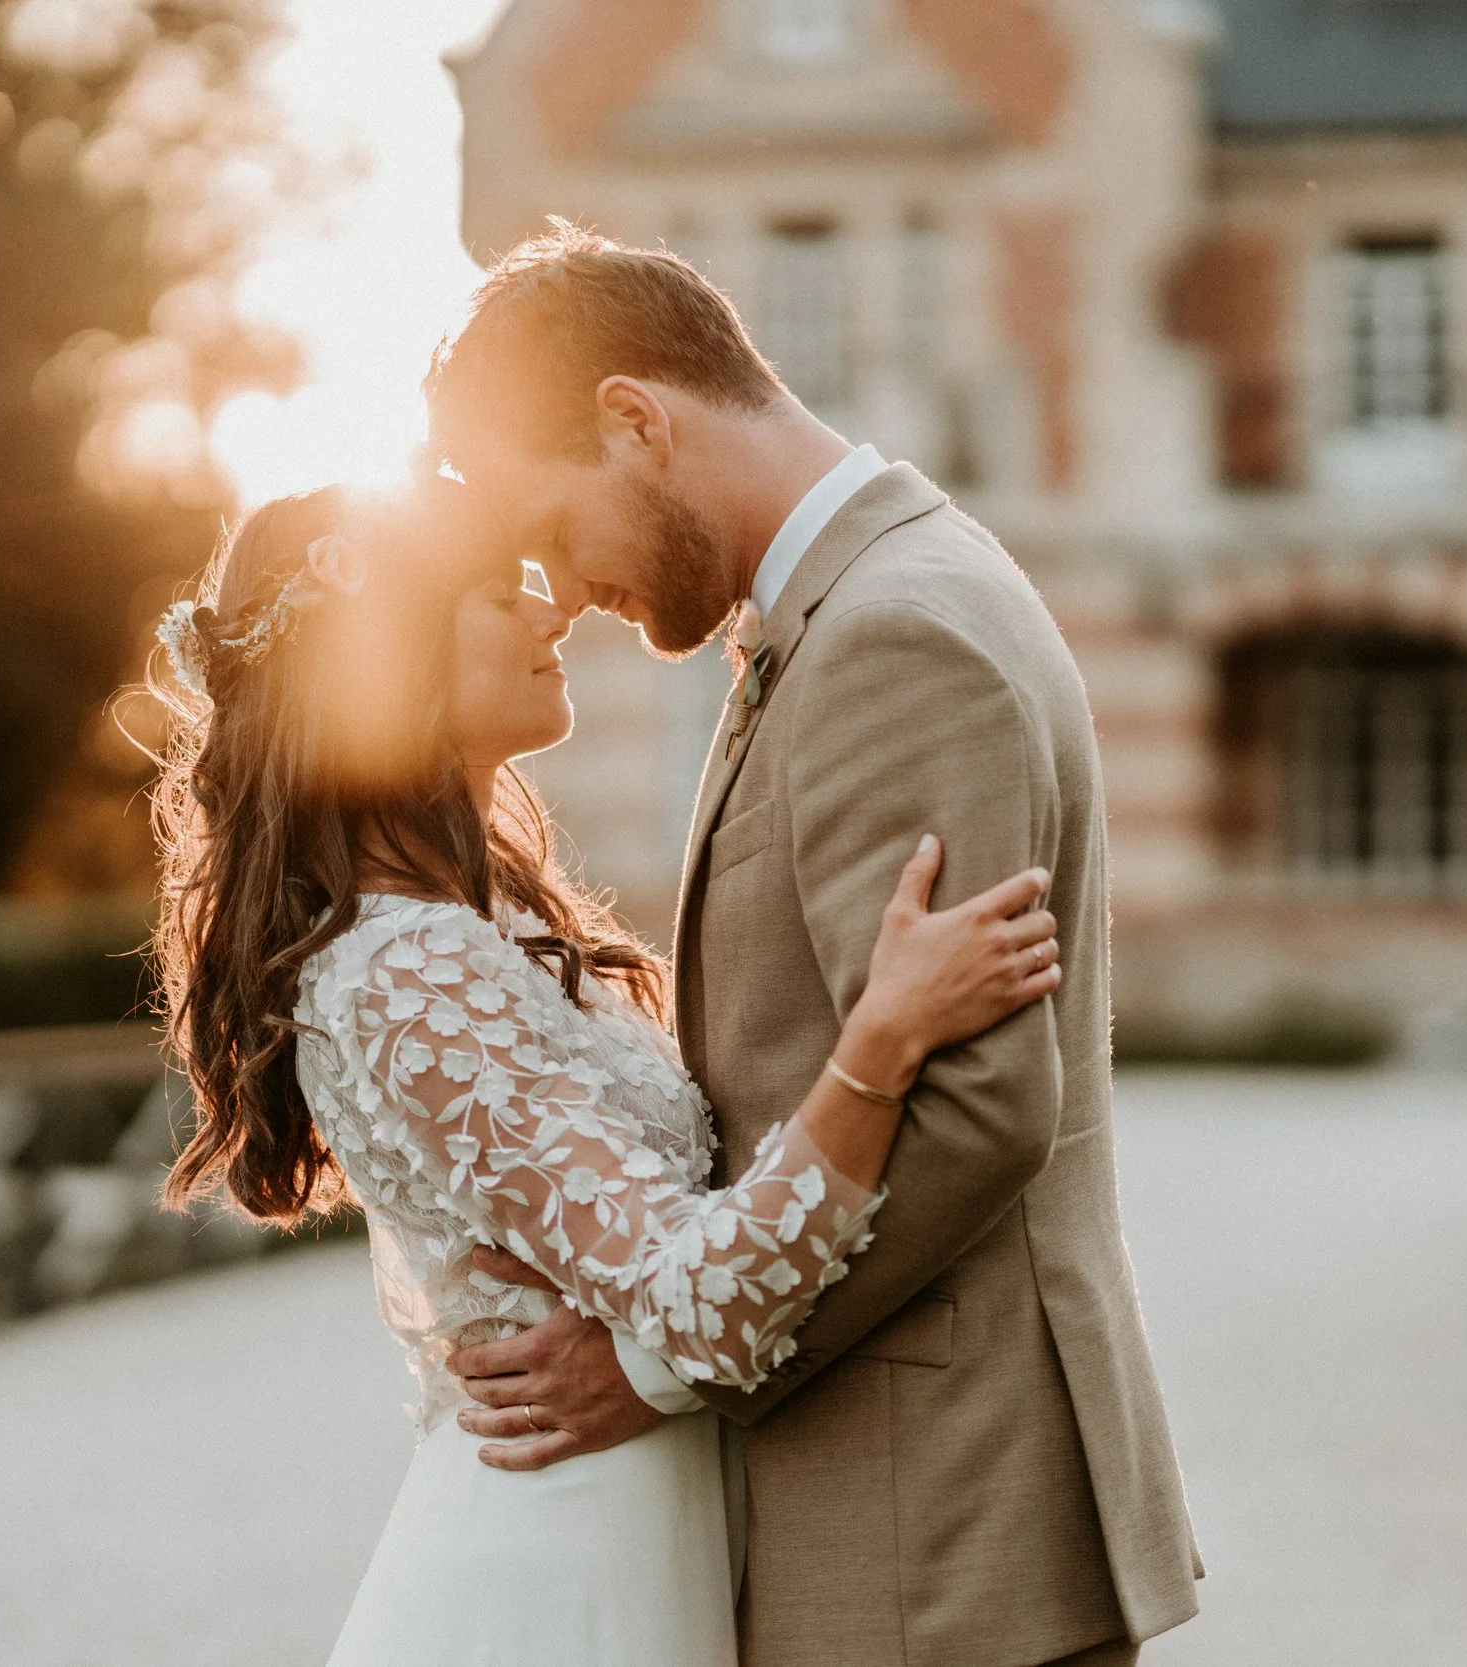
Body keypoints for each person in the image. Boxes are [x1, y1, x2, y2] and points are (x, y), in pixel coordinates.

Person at [424, 226, 1200, 1667]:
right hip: (921, 1510)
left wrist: (662, 1356)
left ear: (635, 422)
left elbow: (977, 1105)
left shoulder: (896, 641)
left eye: (552, 527)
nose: (568, 589)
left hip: (932, 1523)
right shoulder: (872, 597)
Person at [147, 478, 1065, 1665]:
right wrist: (881, 1039)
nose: (550, 616)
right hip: (562, 1558)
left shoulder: (456, 936)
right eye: (496, 594)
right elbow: (705, 1304)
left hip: (634, 1518)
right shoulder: (406, 969)